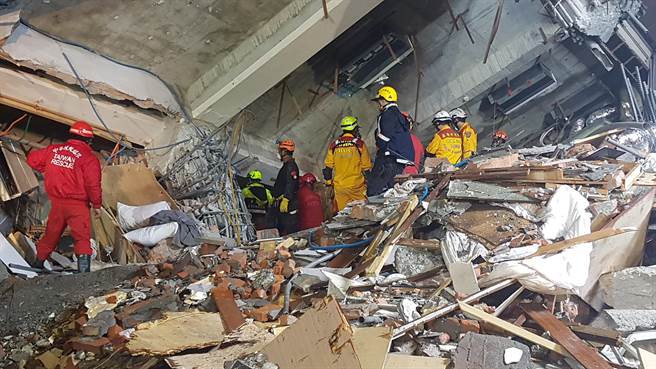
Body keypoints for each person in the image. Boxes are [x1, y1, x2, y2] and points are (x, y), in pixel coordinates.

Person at [27, 121, 101, 273]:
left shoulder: (53, 150)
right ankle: (84, 273)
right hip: (78, 206)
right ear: (89, 140)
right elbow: (93, 184)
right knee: (82, 238)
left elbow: (32, 159)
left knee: (50, 235)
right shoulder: (89, 158)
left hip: (57, 203)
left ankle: (38, 265)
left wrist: (46, 169)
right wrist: (97, 205)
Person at [367, 86, 414, 196]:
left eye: (379, 101)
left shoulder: (387, 115)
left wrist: (379, 145)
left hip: (390, 157)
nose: (379, 105)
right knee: (391, 188)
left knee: (374, 189)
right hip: (400, 158)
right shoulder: (399, 115)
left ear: (384, 100)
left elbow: (384, 138)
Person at [323, 116, 372, 211]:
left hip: (340, 188)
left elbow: (328, 168)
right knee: (362, 213)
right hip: (357, 187)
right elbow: (366, 168)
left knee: (343, 216)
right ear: (354, 129)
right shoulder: (359, 144)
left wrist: (329, 183)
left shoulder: (334, 145)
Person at [272, 139, 299, 235]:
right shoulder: (286, 166)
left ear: (284, 151)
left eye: (280, 151)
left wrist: (286, 199)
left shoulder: (291, 166)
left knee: (290, 228)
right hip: (283, 202)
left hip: (289, 204)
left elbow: (291, 183)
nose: (279, 153)